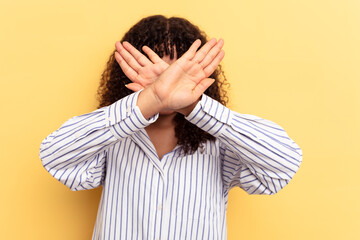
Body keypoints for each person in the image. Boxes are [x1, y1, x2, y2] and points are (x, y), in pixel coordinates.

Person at [39, 15, 302, 240]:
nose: (168, 80)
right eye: (157, 69)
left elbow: (283, 165)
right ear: (128, 71)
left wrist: (195, 106)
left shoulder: (219, 142)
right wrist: (151, 98)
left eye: (176, 69)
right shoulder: (112, 135)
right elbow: (55, 157)